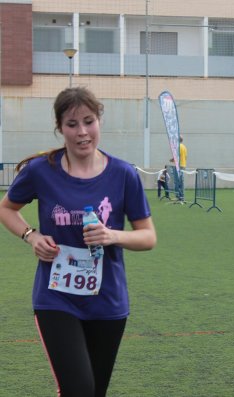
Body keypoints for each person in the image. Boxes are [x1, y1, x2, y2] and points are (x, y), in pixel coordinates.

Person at [0, 87, 157, 397]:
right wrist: (31, 236)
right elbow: (6, 209)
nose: (82, 132)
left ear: (99, 121)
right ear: (60, 128)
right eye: (72, 124)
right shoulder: (41, 171)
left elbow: (148, 236)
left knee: (94, 391)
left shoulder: (124, 174)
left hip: (108, 300)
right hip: (56, 297)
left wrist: (113, 235)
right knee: (78, 389)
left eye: (89, 121)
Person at [169, 136, 187, 201]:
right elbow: (185, 157)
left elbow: (176, 156)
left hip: (178, 166)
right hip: (183, 165)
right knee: (181, 181)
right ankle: (182, 196)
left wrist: (172, 160)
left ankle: (178, 196)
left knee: (177, 181)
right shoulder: (184, 147)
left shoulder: (178, 146)